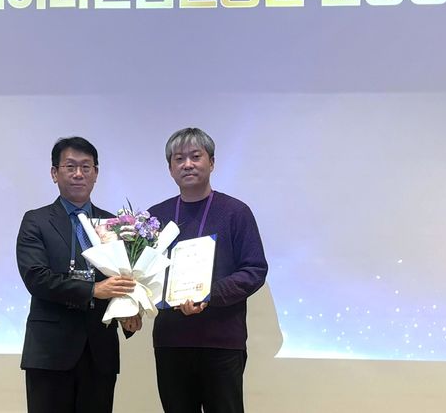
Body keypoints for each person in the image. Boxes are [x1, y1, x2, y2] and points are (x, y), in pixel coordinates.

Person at [16, 136, 142, 413]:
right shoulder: (36, 220)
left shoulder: (114, 225)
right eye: (70, 166)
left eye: (86, 167)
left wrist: (129, 312)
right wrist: (93, 290)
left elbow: (125, 276)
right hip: (50, 352)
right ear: (54, 173)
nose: (78, 174)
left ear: (96, 173)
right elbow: (36, 278)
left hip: (99, 352)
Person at [149, 128, 268, 413]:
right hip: (171, 341)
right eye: (179, 159)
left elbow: (254, 269)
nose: (187, 164)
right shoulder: (155, 217)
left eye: (195, 156)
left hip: (221, 340)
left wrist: (208, 294)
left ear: (211, 162)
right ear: (170, 168)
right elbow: (144, 272)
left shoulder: (236, 212)